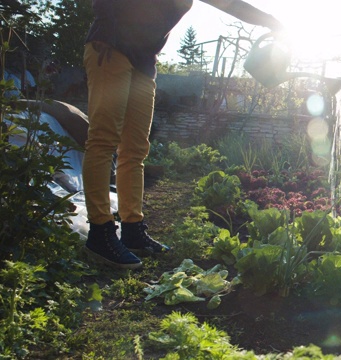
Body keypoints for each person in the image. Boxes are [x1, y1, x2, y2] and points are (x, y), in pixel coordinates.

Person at [83, 0, 284, 269]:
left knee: (135, 150)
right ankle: (100, 231)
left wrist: (271, 21)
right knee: (103, 140)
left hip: (143, 62)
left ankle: (132, 229)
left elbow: (232, 4)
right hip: (111, 46)